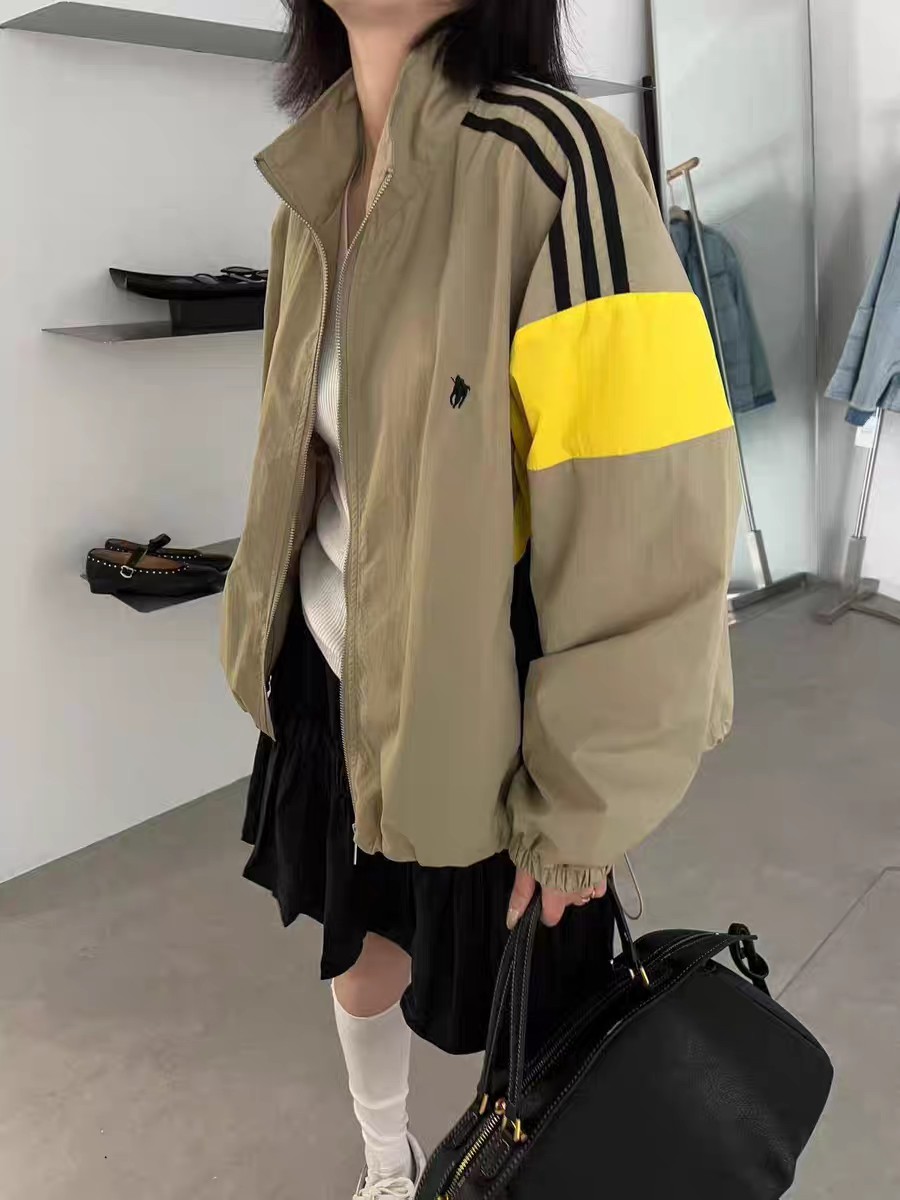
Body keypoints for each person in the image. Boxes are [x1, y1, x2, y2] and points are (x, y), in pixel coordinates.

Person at [221, 1, 740, 1195]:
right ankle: (385, 1164)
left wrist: (585, 804)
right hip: (331, 672)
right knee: (359, 943)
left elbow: (645, 510)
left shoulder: (556, 160)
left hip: (485, 708)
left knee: (538, 1034)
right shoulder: (312, 184)